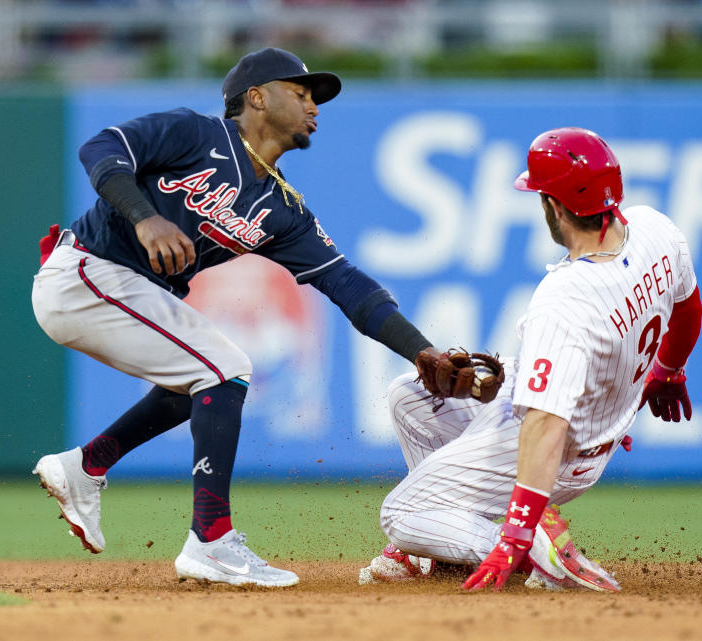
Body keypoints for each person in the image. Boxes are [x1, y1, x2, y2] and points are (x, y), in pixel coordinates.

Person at [30, 47, 438, 588]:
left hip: (121, 288)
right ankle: (212, 540)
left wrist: (422, 351)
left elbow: (349, 286)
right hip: (86, 271)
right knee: (223, 369)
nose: (314, 105)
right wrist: (145, 217)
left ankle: (87, 465)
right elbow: (101, 147)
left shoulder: (281, 207)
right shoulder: (196, 133)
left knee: (204, 378)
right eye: (301, 92)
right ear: (257, 97)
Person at [359, 127, 702, 592]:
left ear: (555, 207)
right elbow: (688, 306)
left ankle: (540, 553)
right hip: (582, 426)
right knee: (409, 397)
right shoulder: (655, 230)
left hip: (558, 451)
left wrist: (516, 533)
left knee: (400, 514)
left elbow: (545, 424)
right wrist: (668, 369)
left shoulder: (565, 299)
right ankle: (440, 546)